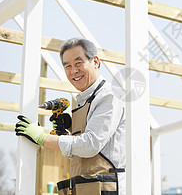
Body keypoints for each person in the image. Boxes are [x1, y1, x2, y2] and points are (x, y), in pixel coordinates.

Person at [15, 38, 125, 195]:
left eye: (78, 63)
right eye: (67, 66)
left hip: (107, 189)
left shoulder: (109, 96)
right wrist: (71, 127)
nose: (73, 71)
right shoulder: (85, 100)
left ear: (95, 61)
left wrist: (43, 138)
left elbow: (91, 144)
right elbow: (83, 149)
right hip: (86, 187)